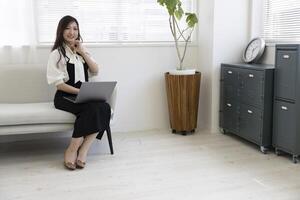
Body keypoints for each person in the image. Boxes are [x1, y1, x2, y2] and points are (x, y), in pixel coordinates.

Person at [47, 15, 111, 170]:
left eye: (75, 28)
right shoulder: (57, 54)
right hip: (65, 96)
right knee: (90, 109)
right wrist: (80, 92)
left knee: (104, 107)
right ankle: (72, 149)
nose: (72, 32)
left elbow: (95, 70)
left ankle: (84, 150)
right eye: (67, 28)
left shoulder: (81, 51)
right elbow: (59, 85)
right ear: (61, 31)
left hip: (83, 94)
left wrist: (82, 52)